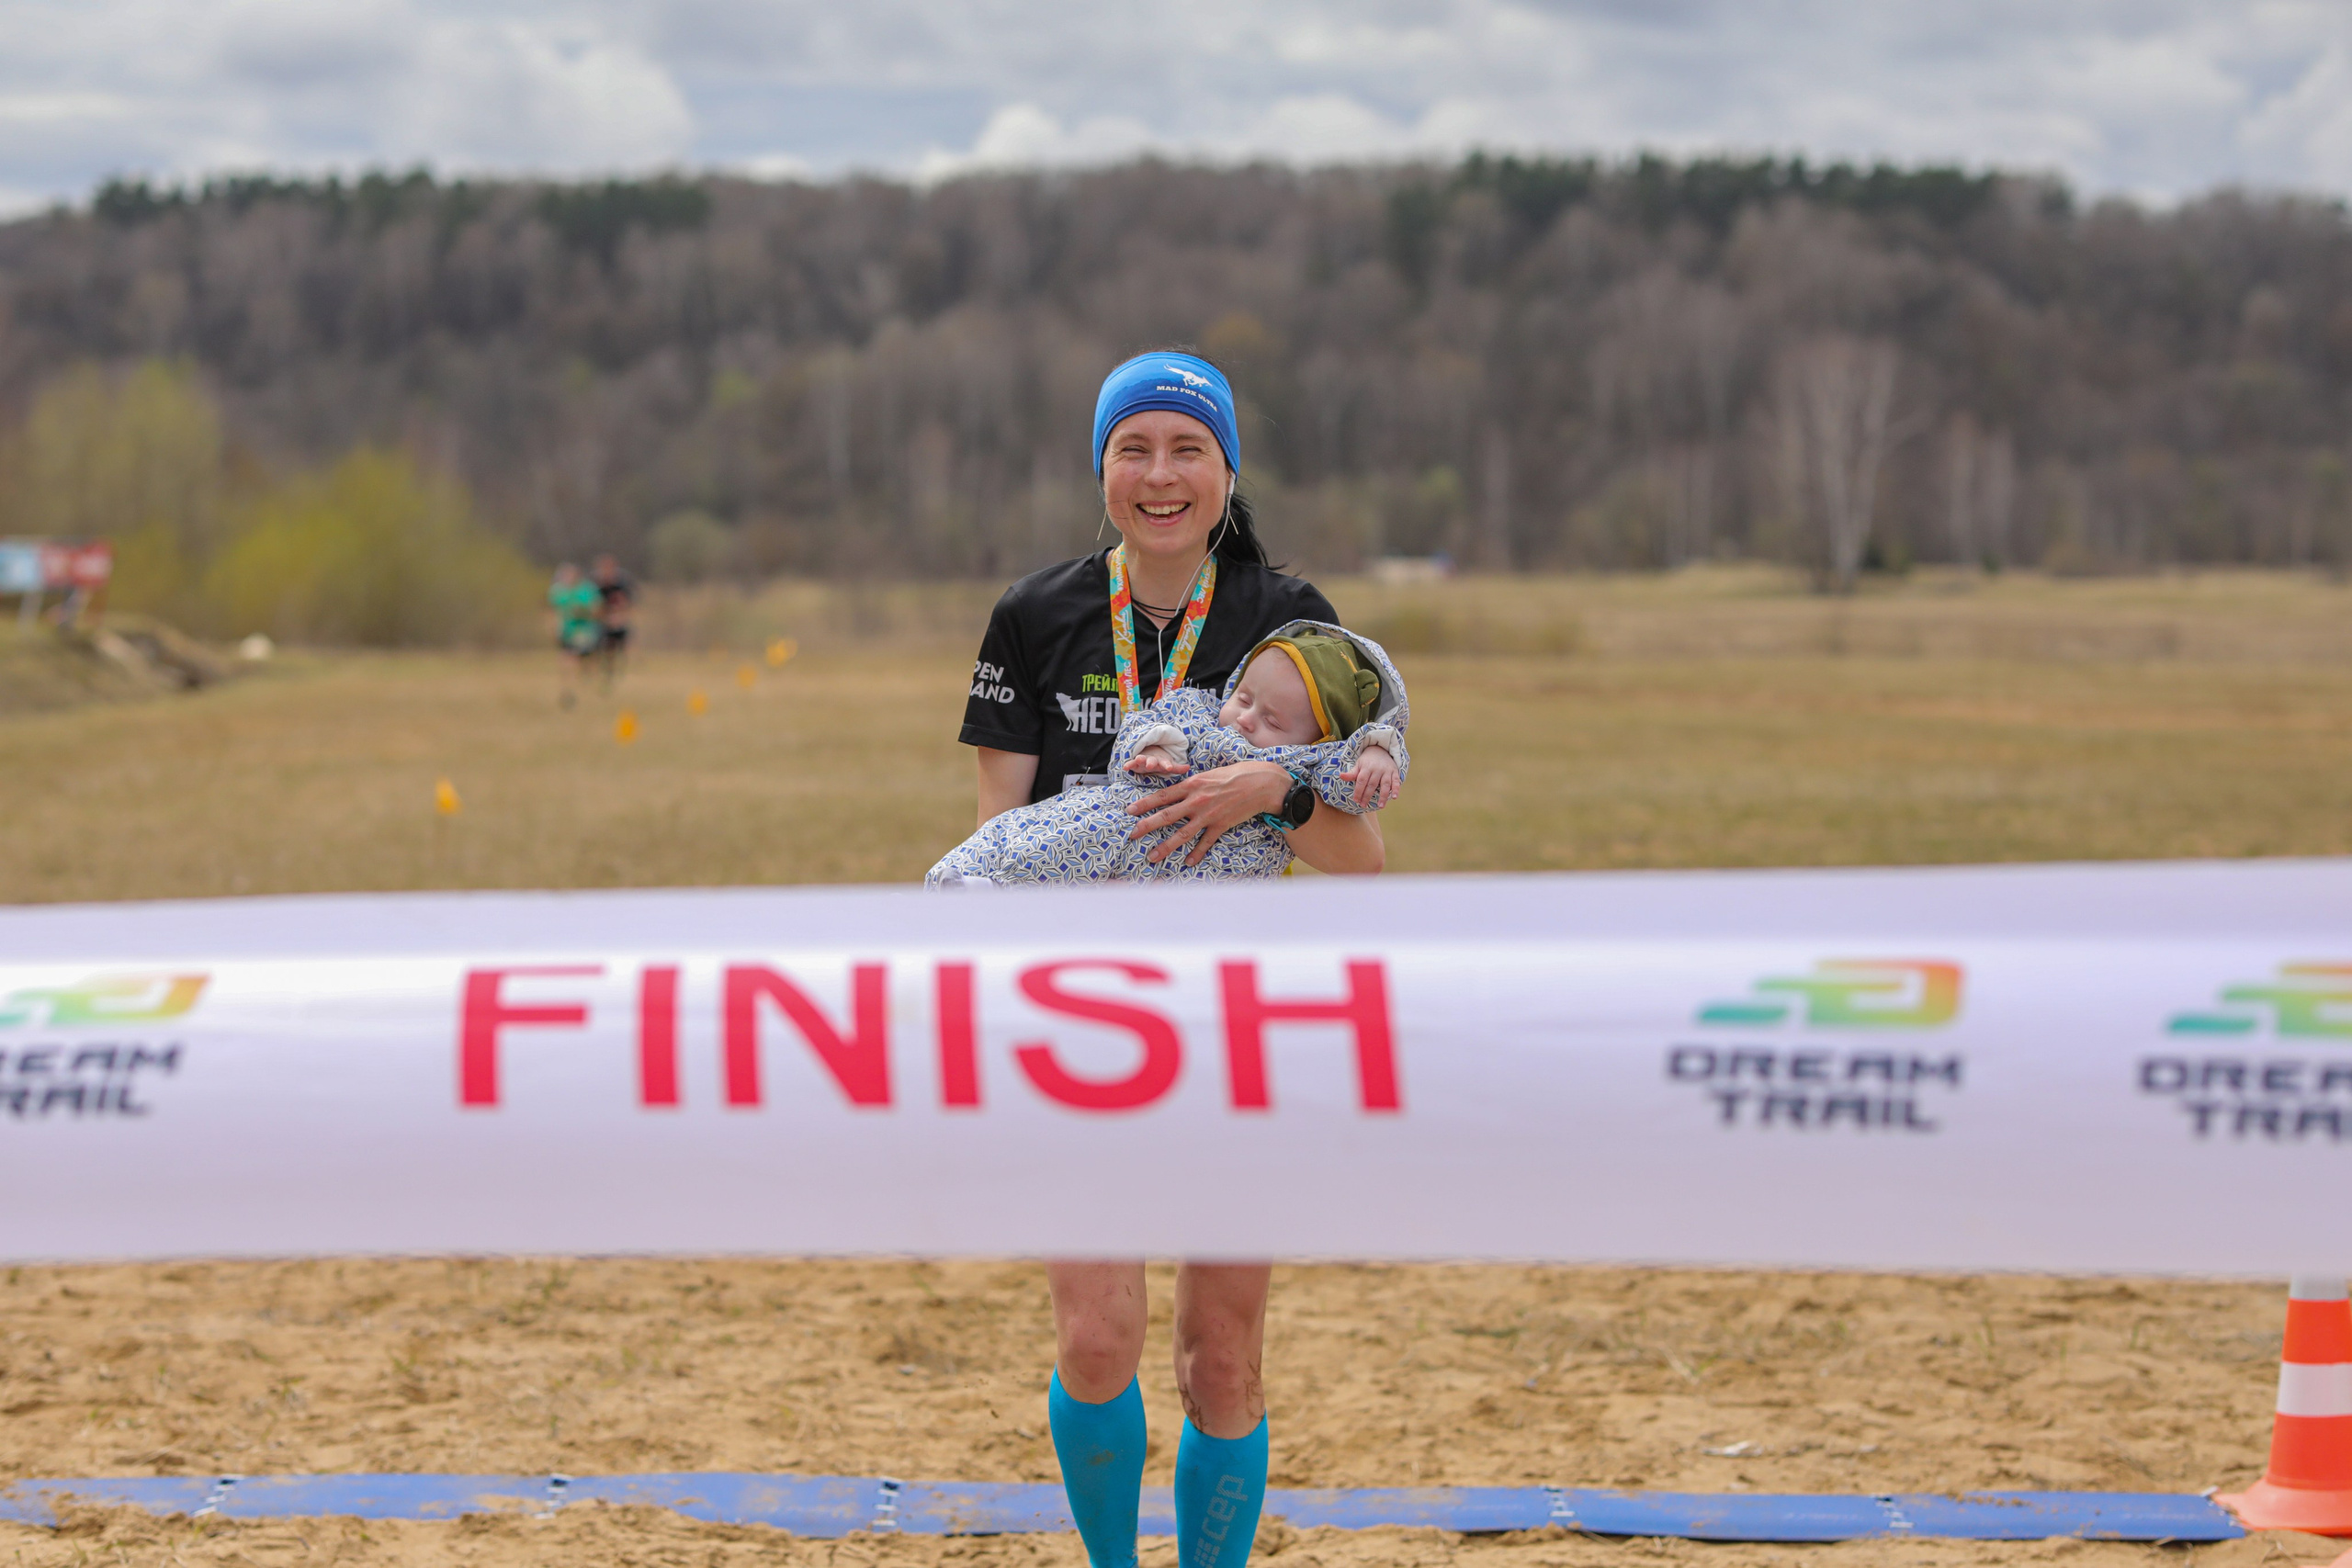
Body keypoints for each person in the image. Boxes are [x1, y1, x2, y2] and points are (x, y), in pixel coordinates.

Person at [957, 350, 1385, 1568]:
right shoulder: (1031, 617)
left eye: (1187, 448)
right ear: (1102, 468)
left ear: (1227, 468)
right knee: (1097, 1340)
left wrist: (1278, 789)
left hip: (1237, 1031)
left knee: (1221, 1359)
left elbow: (1367, 859)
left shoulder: (1291, 617)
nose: (1160, 475)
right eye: (1134, 448)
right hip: (1079, 1027)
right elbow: (995, 846)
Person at [928, 622, 1407, 886]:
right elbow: (1152, 724)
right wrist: (1154, 748)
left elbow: (1362, 840)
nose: (1245, 718)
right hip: (1126, 830)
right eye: (1243, 698)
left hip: (1216, 909)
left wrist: (1374, 756)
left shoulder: (1314, 739)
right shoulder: (1034, 611)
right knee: (1068, 831)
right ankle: (979, 880)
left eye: (1275, 722)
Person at [547, 563, 601, 707]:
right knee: (568, 658)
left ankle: (588, 683)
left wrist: (583, 612)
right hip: (567, 632)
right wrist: (553, 629)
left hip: (585, 632)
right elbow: (552, 612)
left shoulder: (587, 591)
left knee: (586, 661)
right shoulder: (558, 592)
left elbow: (597, 610)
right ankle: (568, 689)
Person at [591, 553, 635, 692]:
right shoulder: (596, 585)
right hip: (602, 622)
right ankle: (600, 675)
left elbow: (627, 604)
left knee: (624, 644)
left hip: (619, 621)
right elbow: (594, 607)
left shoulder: (621, 584)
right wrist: (605, 617)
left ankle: (625, 672)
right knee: (600, 648)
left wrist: (619, 616)